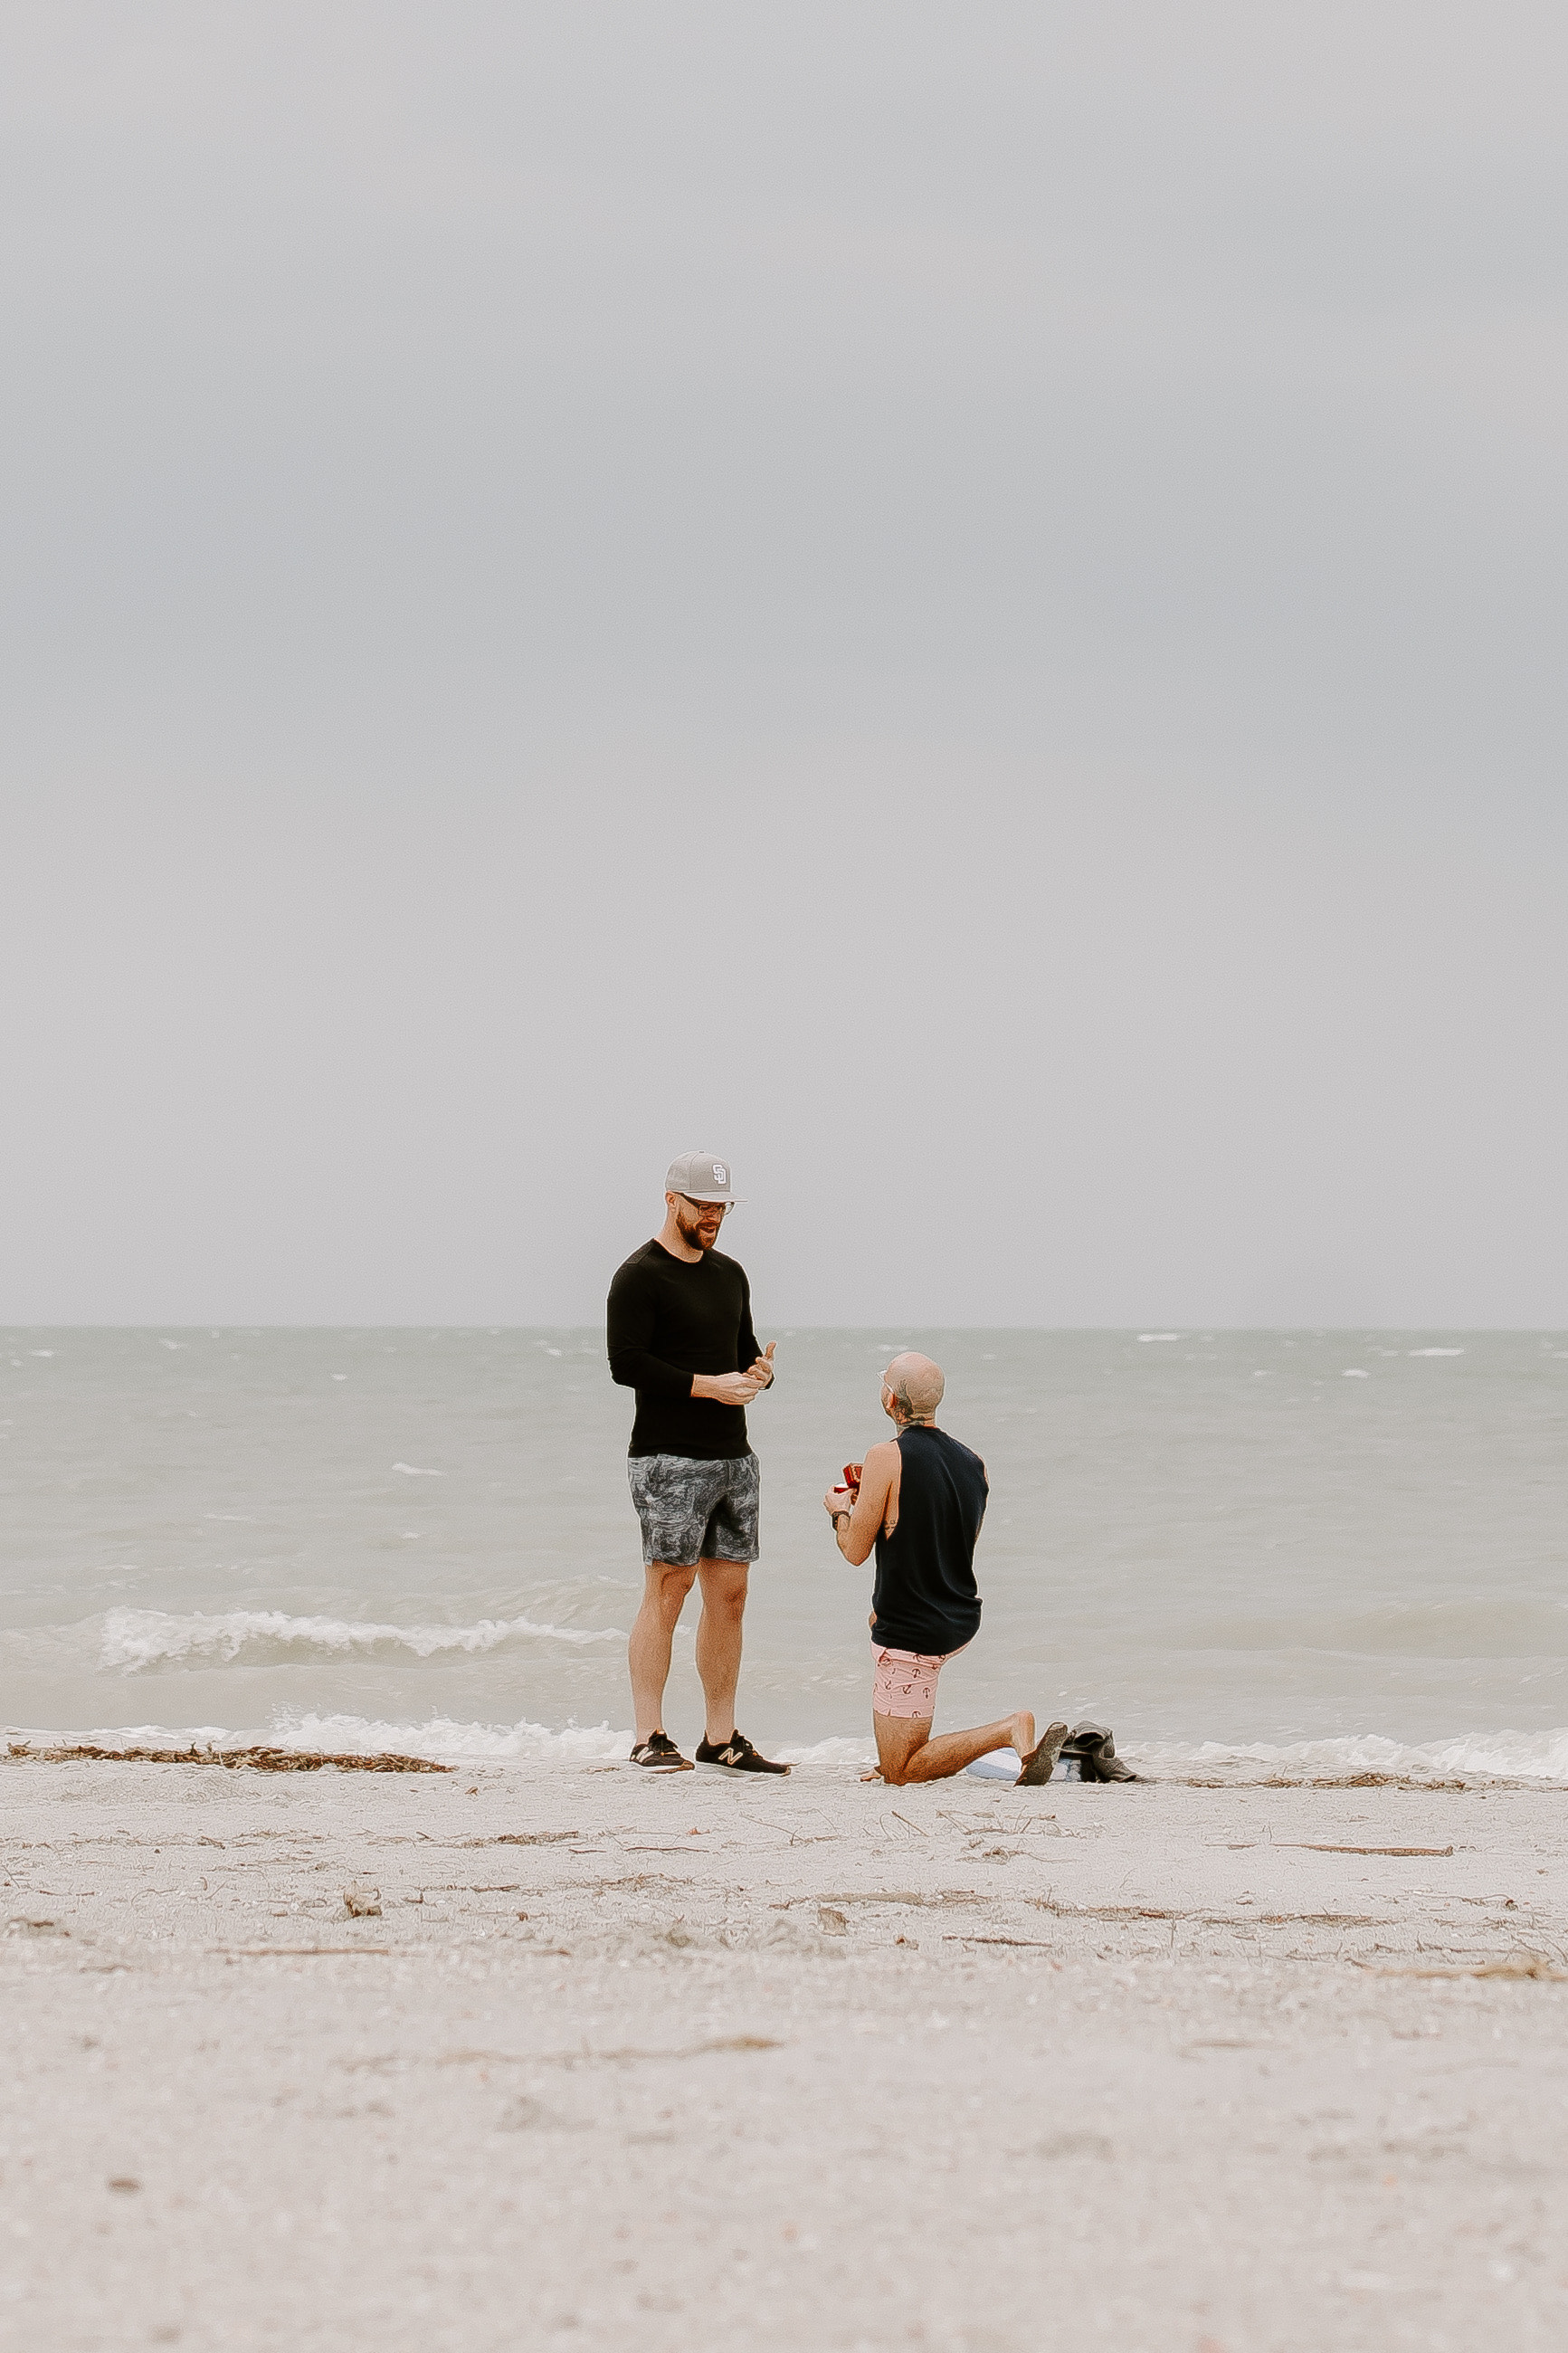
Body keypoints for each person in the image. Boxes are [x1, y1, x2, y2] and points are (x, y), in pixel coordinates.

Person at [606, 1151, 789, 1776]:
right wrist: (710, 1387)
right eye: (703, 1207)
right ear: (671, 1200)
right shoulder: (638, 1276)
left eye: (721, 1208)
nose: (713, 1217)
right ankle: (648, 1735)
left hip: (734, 1458)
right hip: (666, 1458)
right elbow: (626, 1364)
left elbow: (741, 1353)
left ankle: (720, 1737)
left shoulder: (730, 1274)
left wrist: (759, 1374)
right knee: (668, 1587)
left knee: (730, 1596)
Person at [822, 1351, 1068, 1787]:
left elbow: (854, 1551)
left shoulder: (885, 1456)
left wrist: (841, 1511)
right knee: (879, 1631)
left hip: (913, 1631)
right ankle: (897, 1747)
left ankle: (1008, 1729)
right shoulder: (973, 1462)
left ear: (890, 1400)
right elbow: (950, 1540)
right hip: (958, 1615)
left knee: (901, 1773)